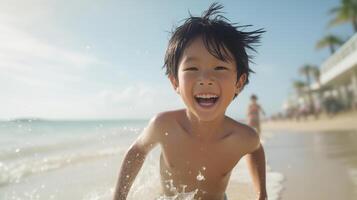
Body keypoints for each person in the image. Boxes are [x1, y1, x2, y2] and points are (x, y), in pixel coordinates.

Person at [113, 3, 267, 200]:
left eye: (219, 68)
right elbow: (137, 150)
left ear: (239, 82)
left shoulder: (242, 137)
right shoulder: (164, 126)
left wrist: (262, 193)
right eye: (192, 69)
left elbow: (255, 149)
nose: (205, 78)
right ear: (175, 82)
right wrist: (118, 196)